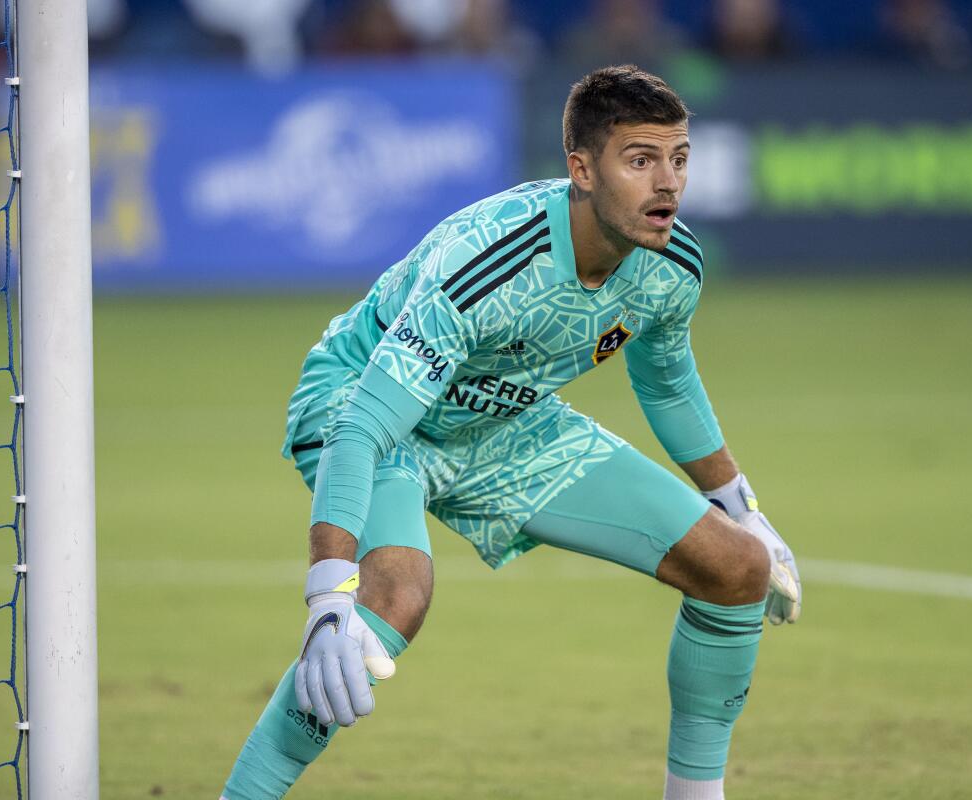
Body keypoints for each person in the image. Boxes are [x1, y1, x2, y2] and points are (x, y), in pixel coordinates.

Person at [219, 64, 801, 800]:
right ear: (581, 170)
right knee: (392, 600)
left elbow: (667, 380)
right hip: (366, 405)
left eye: (679, 159)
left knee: (735, 568)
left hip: (503, 420)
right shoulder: (488, 263)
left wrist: (740, 505)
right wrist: (330, 593)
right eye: (641, 160)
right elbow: (363, 428)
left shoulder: (671, 263)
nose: (668, 184)